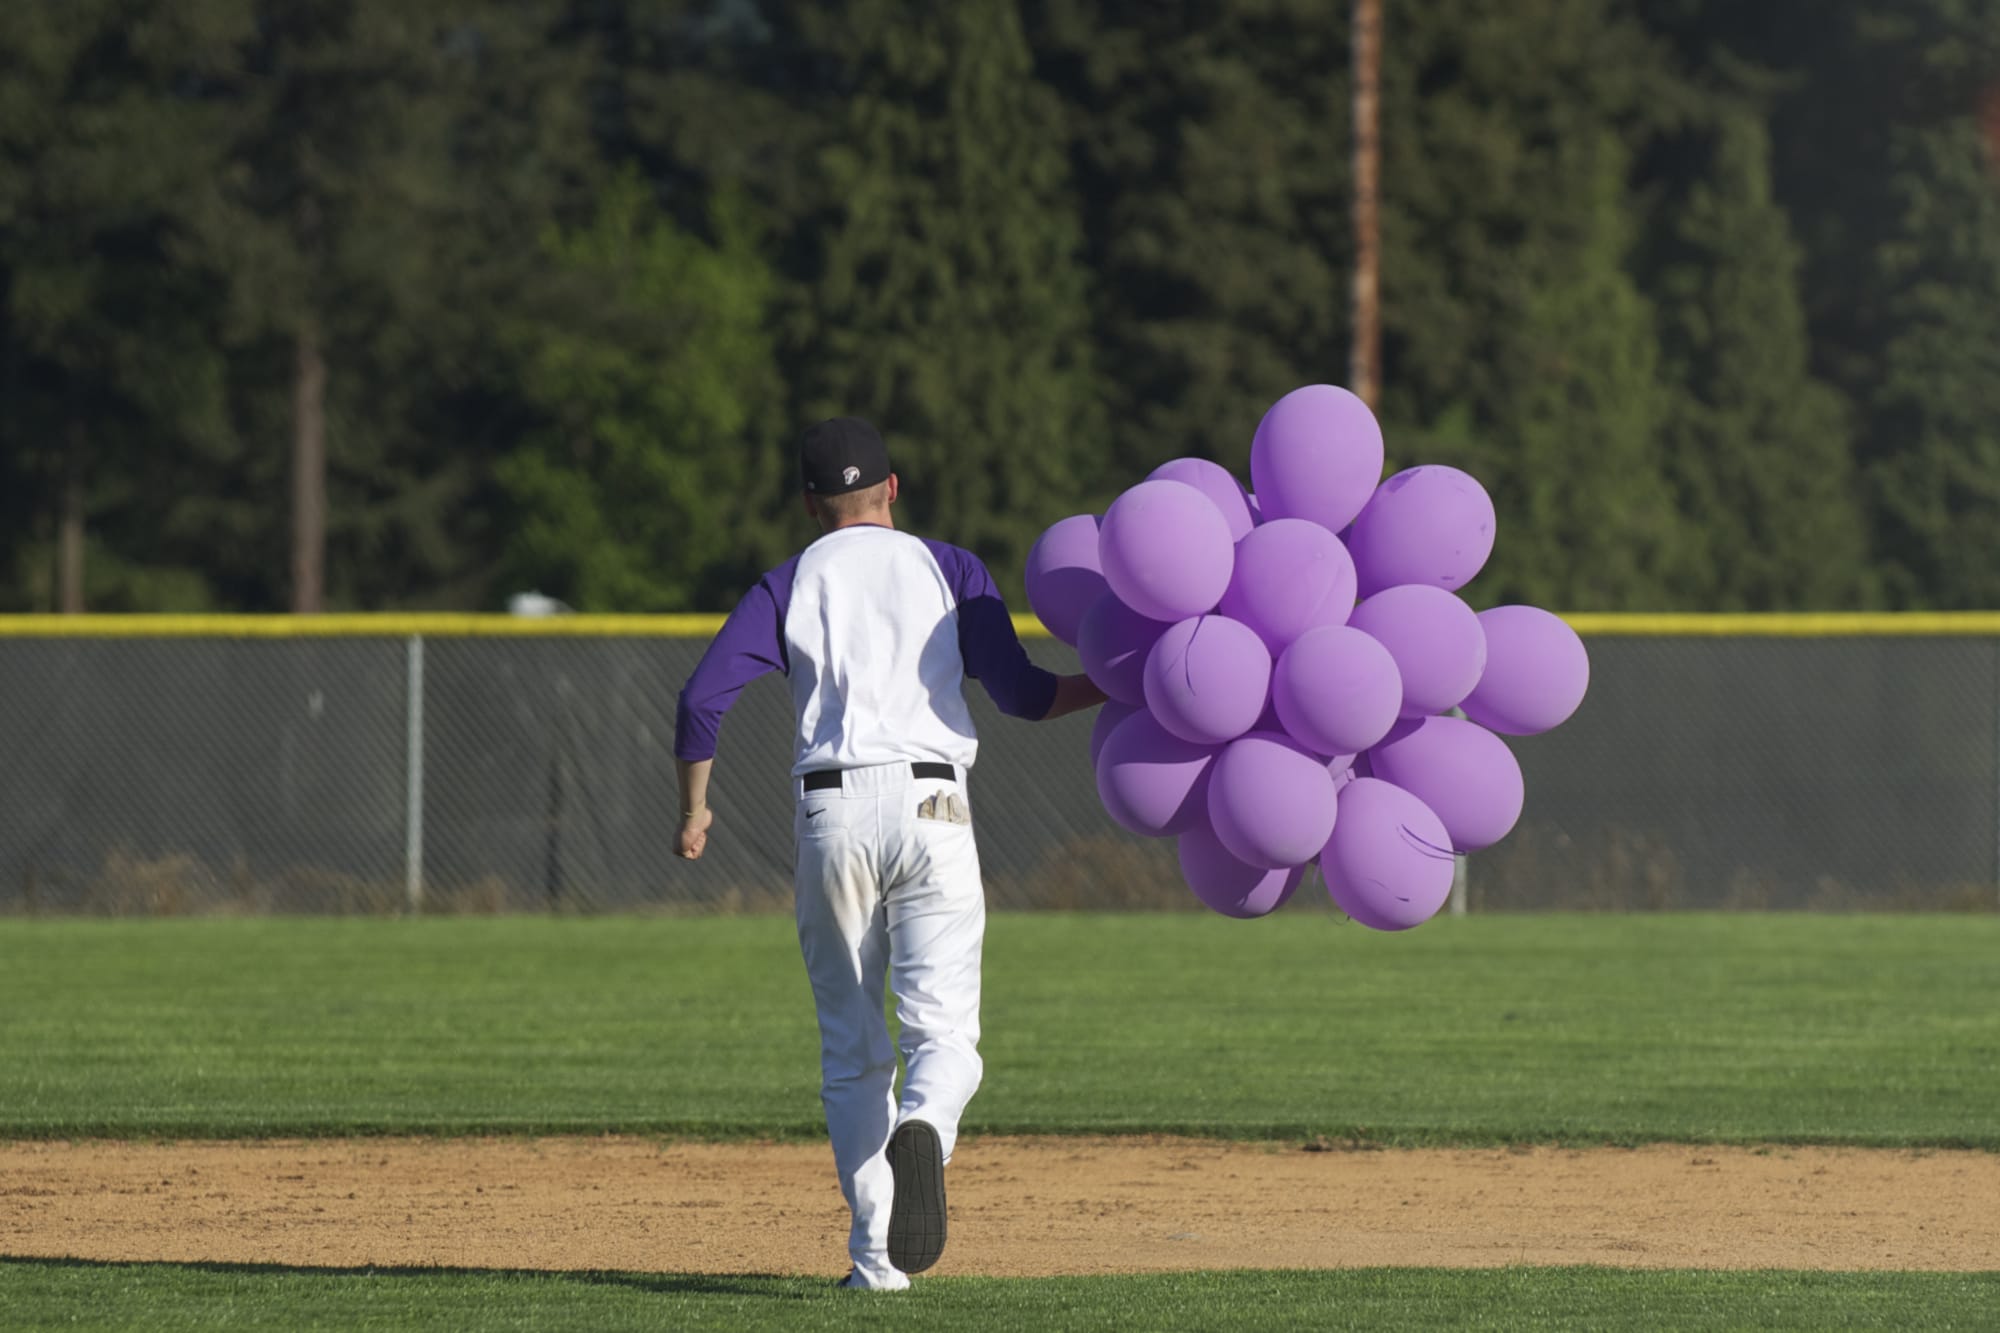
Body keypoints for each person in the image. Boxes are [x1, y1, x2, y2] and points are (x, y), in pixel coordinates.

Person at [672, 417, 1105, 1290]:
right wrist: (1108, 684)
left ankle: (876, 1260)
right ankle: (928, 1130)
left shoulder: (789, 580)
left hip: (829, 811)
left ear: (808, 502)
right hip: (933, 802)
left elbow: (699, 700)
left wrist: (696, 808)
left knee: (851, 1044)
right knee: (944, 1028)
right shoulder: (949, 568)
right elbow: (1020, 694)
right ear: (893, 489)